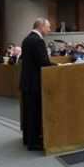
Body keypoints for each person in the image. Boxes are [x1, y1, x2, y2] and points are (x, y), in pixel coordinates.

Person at [20, 18, 57, 151]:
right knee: (34, 113)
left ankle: (28, 139)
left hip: (27, 82)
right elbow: (43, 62)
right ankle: (34, 142)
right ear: (41, 26)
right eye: (48, 27)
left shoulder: (27, 39)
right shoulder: (38, 41)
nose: (49, 29)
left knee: (28, 113)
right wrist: (58, 65)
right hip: (34, 83)